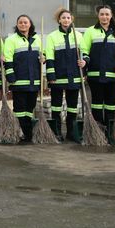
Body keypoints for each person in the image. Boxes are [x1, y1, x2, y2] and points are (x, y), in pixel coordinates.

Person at [45, 8, 85, 141]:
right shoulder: (52, 36)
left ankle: (71, 132)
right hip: (58, 77)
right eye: (63, 18)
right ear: (59, 20)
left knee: (72, 108)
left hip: (74, 76)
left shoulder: (79, 35)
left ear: (72, 19)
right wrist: (51, 77)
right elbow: (50, 58)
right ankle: (56, 132)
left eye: (68, 18)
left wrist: (84, 66)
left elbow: (84, 55)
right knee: (56, 107)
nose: (66, 20)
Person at [81, 5, 115, 127]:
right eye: (102, 14)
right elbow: (84, 49)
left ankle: (110, 128)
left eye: (107, 14)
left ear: (111, 16)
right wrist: (85, 63)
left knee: (111, 104)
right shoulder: (90, 31)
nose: (104, 17)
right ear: (98, 16)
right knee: (97, 103)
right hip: (95, 75)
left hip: (112, 75)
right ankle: (97, 129)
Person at [3, 15, 42, 142]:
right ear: (17, 24)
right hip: (18, 81)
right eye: (20, 22)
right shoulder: (11, 40)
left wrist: (44, 58)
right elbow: (8, 60)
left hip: (33, 81)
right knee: (20, 109)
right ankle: (24, 132)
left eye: (25, 22)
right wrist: (10, 76)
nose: (23, 25)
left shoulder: (37, 39)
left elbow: (42, 54)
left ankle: (26, 132)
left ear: (30, 24)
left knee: (30, 108)